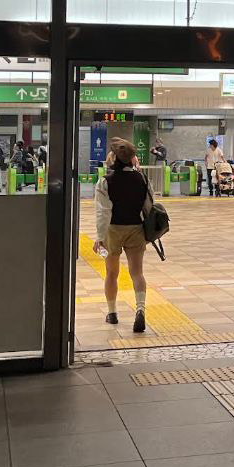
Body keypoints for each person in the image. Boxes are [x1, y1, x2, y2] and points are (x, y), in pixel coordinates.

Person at [93, 139, 151, 333]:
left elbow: (103, 212)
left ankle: (112, 313)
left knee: (111, 273)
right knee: (137, 273)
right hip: (136, 228)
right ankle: (140, 309)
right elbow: (148, 206)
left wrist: (100, 237)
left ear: (113, 158)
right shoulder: (142, 179)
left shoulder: (105, 181)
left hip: (113, 230)